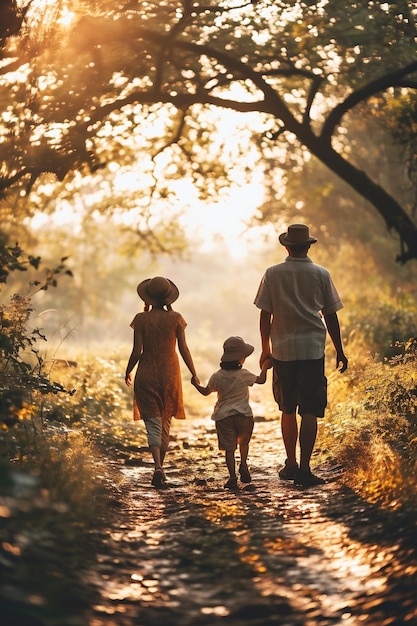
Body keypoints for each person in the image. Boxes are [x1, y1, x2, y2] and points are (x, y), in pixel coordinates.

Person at [254, 223, 348, 487]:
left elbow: (264, 315)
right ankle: (306, 468)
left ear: (286, 246)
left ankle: (291, 464)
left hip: (283, 350)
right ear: (308, 246)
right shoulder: (321, 273)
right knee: (309, 409)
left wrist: (265, 349)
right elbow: (330, 314)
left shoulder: (272, 274)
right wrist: (339, 349)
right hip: (312, 349)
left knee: (287, 408)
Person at [125, 276, 199, 489]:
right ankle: (160, 468)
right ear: (168, 296)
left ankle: (158, 466)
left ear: (147, 296)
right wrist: (194, 373)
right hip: (170, 373)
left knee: (153, 423)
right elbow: (184, 349)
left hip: (146, 371)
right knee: (165, 421)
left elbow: (137, 351)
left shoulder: (141, 318)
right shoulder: (176, 318)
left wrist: (128, 370)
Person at [191, 336, 270, 490]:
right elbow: (261, 380)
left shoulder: (217, 376)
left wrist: (196, 384)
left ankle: (232, 477)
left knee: (229, 448)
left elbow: (206, 392)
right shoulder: (244, 374)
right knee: (244, 443)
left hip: (224, 417)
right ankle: (244, 464)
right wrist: (265, 367)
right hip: (244, 416)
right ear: (241, 358)